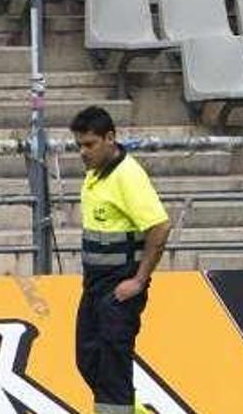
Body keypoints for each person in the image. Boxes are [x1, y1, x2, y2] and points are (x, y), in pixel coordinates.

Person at [72, 106, 171, 414]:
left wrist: (139, 281)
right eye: (79, 145)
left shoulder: (128, 176)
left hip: (119, 288)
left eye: (89, 144)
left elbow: (160, 225)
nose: (82, 152)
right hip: (95, 286)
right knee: (88, 358)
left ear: (110, 138)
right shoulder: (96, 174)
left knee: (113, 363)